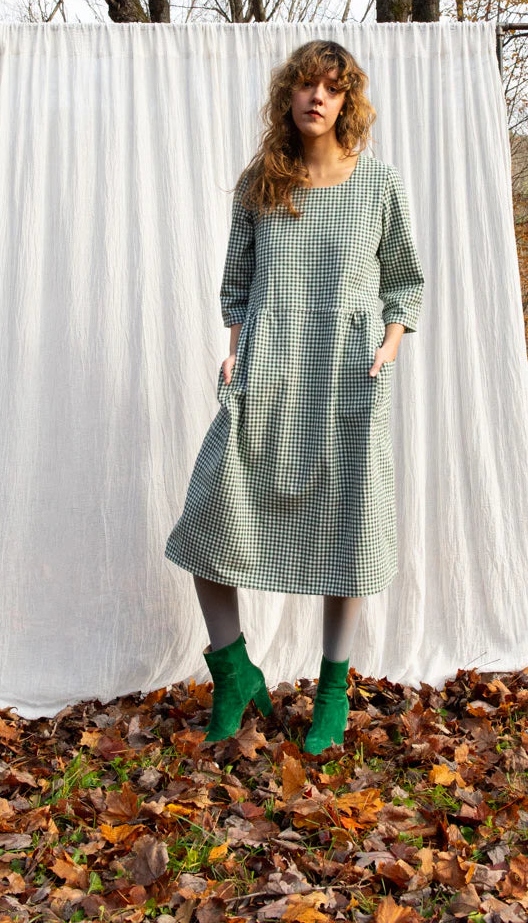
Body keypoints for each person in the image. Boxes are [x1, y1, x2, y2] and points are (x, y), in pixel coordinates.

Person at [165, 39, 425, 754]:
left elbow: (404, 280)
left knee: (346, 534)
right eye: (305, 85)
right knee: (207, 526)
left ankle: (333, 692)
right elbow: (238, 287)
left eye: (332, 88)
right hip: (267, 377)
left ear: (347, 101)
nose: (317, 97)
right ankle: (233, 672)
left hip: (345, 378)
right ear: (288, 95)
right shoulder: (261, 185)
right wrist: (233, 350)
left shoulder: (378, 185)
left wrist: (389, 345)